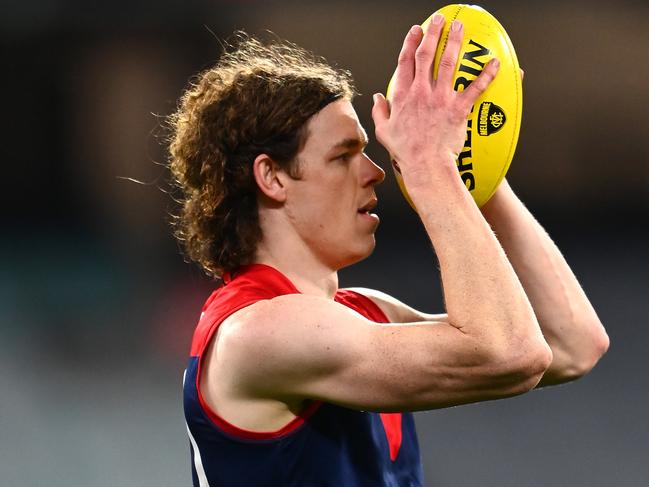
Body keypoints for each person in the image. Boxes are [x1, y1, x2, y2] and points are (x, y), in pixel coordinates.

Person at [168, 16, 609, 487]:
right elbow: (510, 353)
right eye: (343, 156)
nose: (375, 172)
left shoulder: (364, 312)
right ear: (272, 177)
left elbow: (572, 345)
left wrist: (478, 165)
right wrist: (430, 164)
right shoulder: (256, 332)